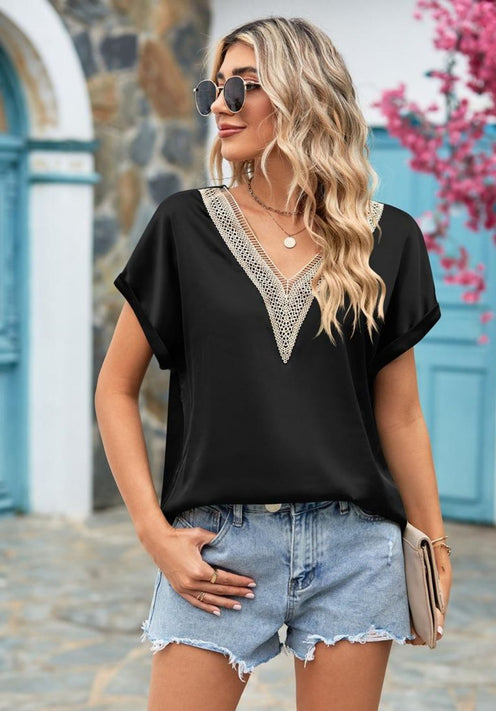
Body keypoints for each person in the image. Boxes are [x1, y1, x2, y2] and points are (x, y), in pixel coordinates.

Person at [94, 15, 453, 711]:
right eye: (214, 89)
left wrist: (433, 543)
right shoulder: (183, 225)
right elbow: (114, 389)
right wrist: (153, 533)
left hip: (356, 551)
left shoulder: (387, 239)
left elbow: (401, 414)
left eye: (244, 86)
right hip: (218, 549)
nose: (221, 106)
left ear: (303, 93)